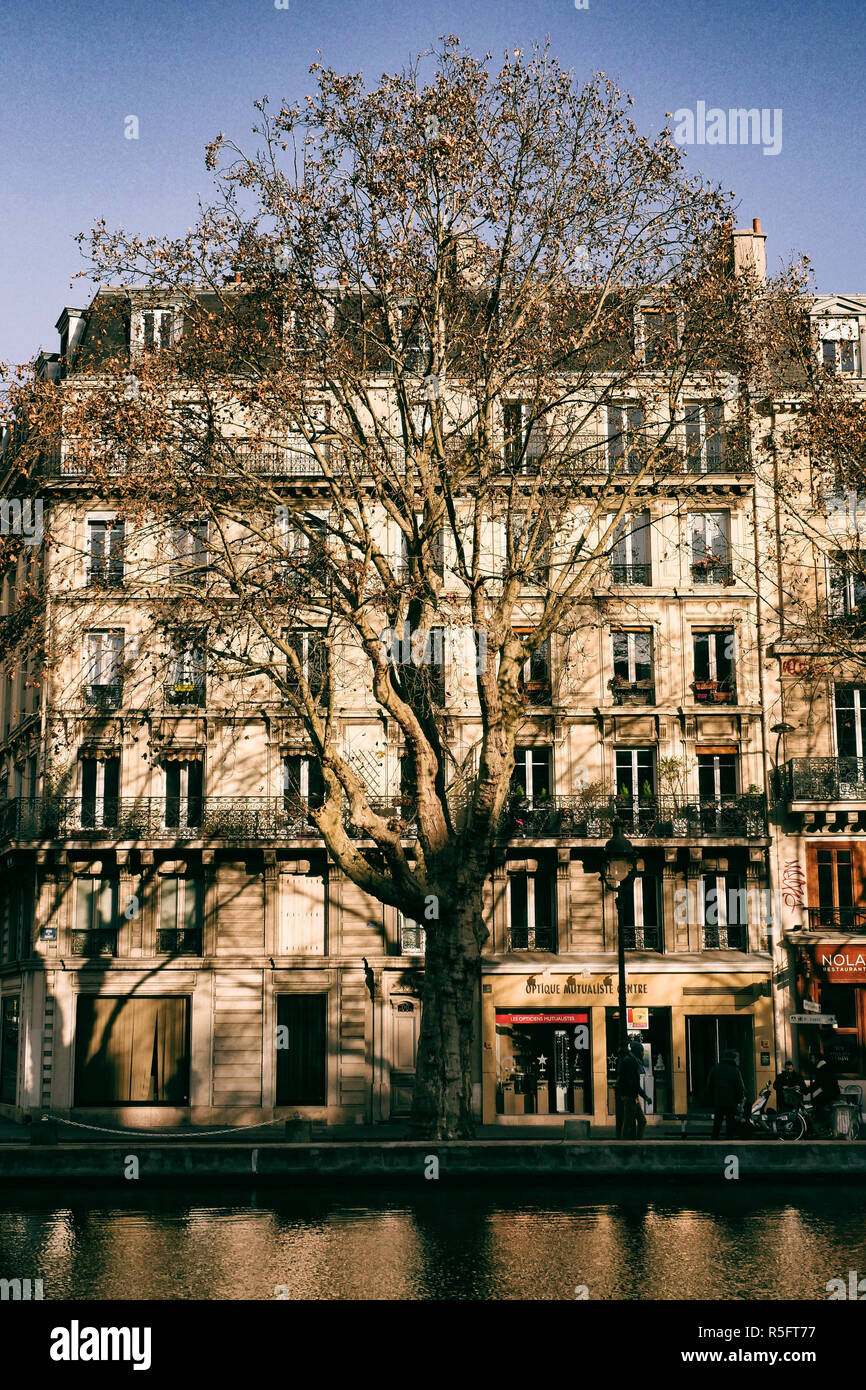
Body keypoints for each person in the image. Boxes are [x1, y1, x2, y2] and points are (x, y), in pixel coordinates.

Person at [706, 1048, 746, 1138]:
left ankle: (714, 1141)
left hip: (718, 1101)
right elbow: (740, 1087)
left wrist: (712, 1099)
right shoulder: (735, 1070)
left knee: (717, 1124)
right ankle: (729, 1143)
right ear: (733, 1058)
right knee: (730, 1124)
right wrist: (739, 1100)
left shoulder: (715, 1069)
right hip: (731, 1102)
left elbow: (709, 1086)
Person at [615, 1039, 648, 1139]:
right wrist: (643, 1096)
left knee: (638, 1121)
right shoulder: (631, 1062)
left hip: (631, 1096)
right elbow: (632, 1082)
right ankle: (627, 1144)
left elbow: (633, 1082)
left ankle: (635, 1142)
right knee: (630, 1122)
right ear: (638, 1051)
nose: (643, 1053)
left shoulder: (631, 1061)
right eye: (642, 1051)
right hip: (630, 1097)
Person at [809, 1050, 840, 1127]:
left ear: (817, 1059)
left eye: (812, 1058)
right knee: (817, 1101)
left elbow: (817, 1083)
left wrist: (806, 1090)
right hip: (831, 1091)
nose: (811, 1060)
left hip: (831, 1092)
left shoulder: (822, 1068)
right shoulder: (824, 1066)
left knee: (815, 1102)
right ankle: (823, 1121)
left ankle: (822, 1122)